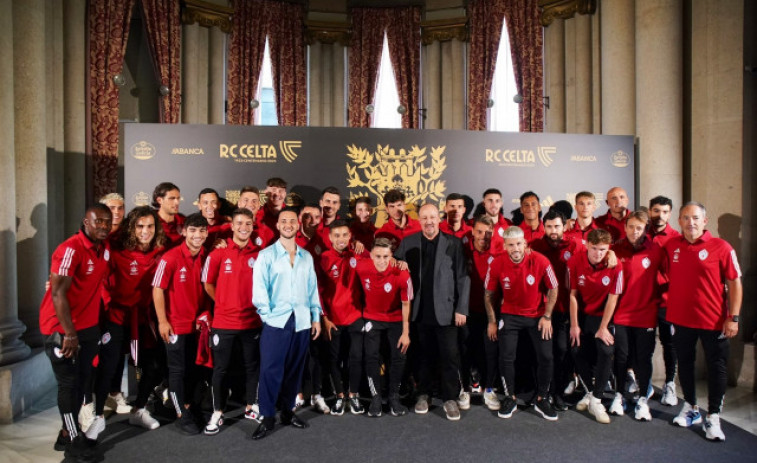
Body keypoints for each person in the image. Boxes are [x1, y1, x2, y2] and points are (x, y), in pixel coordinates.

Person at [39, 204, 112, 461]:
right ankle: (73, 441)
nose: (103, 226)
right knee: (68, 386)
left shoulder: (105, 249)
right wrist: (69, 333)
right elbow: (58, 293)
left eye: (107, 222)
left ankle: (64, 433)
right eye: (98, 221)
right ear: (85, 222)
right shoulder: (70, 248)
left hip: (88, 327)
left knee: (82, 384)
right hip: (62, 328)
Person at [665, 202, 742, 441]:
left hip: (714, 321)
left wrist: (734, 317)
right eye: (686, 218)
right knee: (685, 364)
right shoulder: (672, 246)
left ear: (705, 221)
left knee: (716, 367)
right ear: (679, 221)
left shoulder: (722, 247)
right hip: (681, 319)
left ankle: (714, 417)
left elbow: (735, 283)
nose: (691, 222)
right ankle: (690, 408)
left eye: (695, 218)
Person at [251, 207, 322, 440]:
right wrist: (268, 317)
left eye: (293, 220)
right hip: (276, 322)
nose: (289, 224)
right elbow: (259, 291)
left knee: (294, 370)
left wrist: (315, 317)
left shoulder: (306, 257)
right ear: (278, 225)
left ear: (298, 225)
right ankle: (268, 416)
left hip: (301, 321)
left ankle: (287, 412)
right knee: (271, 371)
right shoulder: (266, 255)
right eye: (284, 221)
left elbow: (313, 290)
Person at [394, 203, 470, 421]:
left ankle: (450, 398)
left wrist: (461, 308)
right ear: (419, 220)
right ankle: (423, 394)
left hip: (447, 311)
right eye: (424, 217)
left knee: (449, 356)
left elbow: (463, 277)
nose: (429, 221)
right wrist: (397, 263)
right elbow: (395, 264)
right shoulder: (408, 242)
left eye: (433, 217)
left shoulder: (453, 243)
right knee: (422, 357)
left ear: (440, 219)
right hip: (418, 311)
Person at [97, 206, 166, 431]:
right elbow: (99, 279)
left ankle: (139, 409)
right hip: (116, 317)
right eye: (140, 226)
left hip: (144, 319)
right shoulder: (116, 249)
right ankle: (95, 415)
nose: (145, 231)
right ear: (131, 228)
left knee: (153, 366)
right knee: (108, 367)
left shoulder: (160, 251)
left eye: (150, 226)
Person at [484, 226, 559, 421]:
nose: (515, 248)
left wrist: (548, 316)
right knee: (506, 356)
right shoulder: (497, 263)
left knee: (546, 356)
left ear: (525, 244)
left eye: (519, 244)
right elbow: (488, 294)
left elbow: (554, 288)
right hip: (510, 315)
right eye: (511, 245)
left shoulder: (540, 260)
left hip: (538, 315)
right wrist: (492, 321)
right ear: (505, 246)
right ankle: (510, 398)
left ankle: (543, 398)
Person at [201, 208, 263, 435]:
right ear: (232, 226)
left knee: (252, 366)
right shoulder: (218, 253)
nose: (244, 227)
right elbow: (207, 283)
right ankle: (218, 412)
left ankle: (251, 406)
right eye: (239, 223)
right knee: (221, 369)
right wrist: (224, 303)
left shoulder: (260, 254)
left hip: (251, 322)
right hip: (224, 322)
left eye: (248, 223)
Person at [152, 213, 210, 435]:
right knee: (176, 370)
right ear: (184, 231)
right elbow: (157, 289)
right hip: (175, 325)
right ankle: (179, 413)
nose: (197, 235)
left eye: (202, 231)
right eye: (193, 230)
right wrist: (162, 321)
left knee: (195, 369)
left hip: (196, 326)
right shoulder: (171, 257)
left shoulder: (206, 255)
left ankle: (189, 406)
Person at [611, 210, 665, 421]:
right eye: (631, 226)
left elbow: (669, 277)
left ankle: (643, 398)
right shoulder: (614, 250)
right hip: (621, 314)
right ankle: (619, 395)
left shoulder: (656, 250)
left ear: (646, 230)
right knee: (622, 357)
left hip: (646, 314)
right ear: (625, 227)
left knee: (643, 358)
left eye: (640, 228)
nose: (635, 231)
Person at [530, 210, 584, 411]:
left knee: (561, 352)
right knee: (543, 355)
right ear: (544, 226)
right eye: (550, 226)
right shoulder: (534, 246)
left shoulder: (575, 246)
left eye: (557, 226)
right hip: (539, 311)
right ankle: (541, 392)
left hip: (562, 310)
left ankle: (557, 393)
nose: (553, 231)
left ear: (565, 226)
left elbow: (597, 253)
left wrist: (611, 254)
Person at [569, 229, 624, 424]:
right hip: (583, 316)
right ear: (586, 245)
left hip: (604, 318)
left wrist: (604, 327)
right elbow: (573, 295)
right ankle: (590, 393)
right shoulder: (576, 260)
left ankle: (597, 399)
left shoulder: (615, 266)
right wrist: (574, 325)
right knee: (575, 350)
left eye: (602, 249)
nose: (598, 253)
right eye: (594, 249)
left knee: (606, 350)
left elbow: (613, 299)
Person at [356, 237, 413, 417]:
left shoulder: (402, 273)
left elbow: (406, 304)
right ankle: (375, 397)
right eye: (378, 256)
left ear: (392, 256)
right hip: (372, 317)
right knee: (371, 355)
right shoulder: (362, 266)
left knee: (399, 355)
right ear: (371, 256)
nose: (382, 261)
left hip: (395, 318)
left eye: (386, 256)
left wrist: (406, 332)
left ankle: (394, 396)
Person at [317, 220, 367, 415]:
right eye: (336, 236)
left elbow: (378, 267)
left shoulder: (359, 254)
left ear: (350, 236)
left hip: (356, 316)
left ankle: (353, 395)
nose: (341, 239)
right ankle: (339, 396)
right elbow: (318, 292)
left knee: (356, 357)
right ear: (330, 238)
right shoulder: (324, 259)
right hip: (333, 320)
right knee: (334, 360)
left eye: (344, 235)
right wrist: (324, 317)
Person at [463, 215, 501, 410]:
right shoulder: (462, 250)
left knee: (490, 351)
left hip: (491, 313)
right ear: (472, 232)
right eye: (479, 232)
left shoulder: (499, 252)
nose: (483, 237)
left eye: (488, 233)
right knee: (466, 350)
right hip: (467, 311)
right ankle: (464, 389)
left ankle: (489, 388)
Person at [646, 195, 680, 406]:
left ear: (670, 213)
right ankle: (645, 383)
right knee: (644, 346)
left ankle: (669, 384)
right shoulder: (640, 234)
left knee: (670, 345)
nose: (660, 215)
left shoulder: (677, 238)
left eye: (665, 211)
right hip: (644, 302)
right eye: (656, 211)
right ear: (650, 211)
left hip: (668, 302)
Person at [152, 182, 185, 248]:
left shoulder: (184, 221)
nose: (177, 202)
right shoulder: (149, 222)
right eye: (172, 198)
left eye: (178, 198)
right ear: (159, 200)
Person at [480, 188, 513, 252]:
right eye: (490, 201)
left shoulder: (509, 225)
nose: (494, 205)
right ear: (484, 203)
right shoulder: (475, 224)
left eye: (497, 201)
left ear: (501, 203)